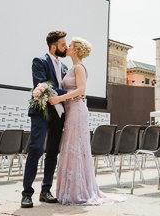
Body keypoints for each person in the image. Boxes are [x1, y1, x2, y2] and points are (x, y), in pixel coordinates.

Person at [48, 37, 126, 206]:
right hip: (70, 110)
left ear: (75, 50)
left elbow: (81, 90)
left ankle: (79, 192)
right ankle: (70, 190)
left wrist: (59, 98)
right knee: (71, 147)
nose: (67, 47)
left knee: (76, 147)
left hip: (76, 110)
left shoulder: (80, 67)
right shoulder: (71, 68)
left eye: (70, 45)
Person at [22, 31, 71, 209]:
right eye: (63, 44)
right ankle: (27, 194)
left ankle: (46, 191)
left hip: (59, 113)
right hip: (41, 111)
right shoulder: (39, 61)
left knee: (52, 152)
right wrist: (73, 94)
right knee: (35, 149)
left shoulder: (65, 66)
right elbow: (42, 85)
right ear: (53, 46)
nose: (66, 47)